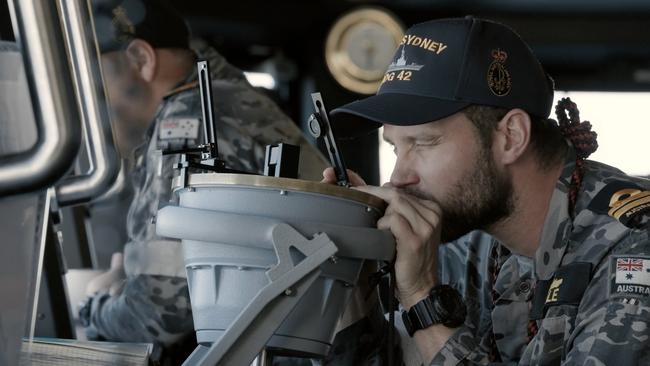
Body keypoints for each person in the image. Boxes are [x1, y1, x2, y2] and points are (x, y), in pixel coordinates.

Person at [328, 16, 650, 365]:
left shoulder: (633, 247)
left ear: (511, 136)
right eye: (395, 147)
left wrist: (423, 299)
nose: (397, 176)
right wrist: (351, 283)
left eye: (423, 143)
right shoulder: (475, 241)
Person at [80, 0, 328, 361]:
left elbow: (160, 311)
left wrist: (92, 304)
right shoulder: (223, 98)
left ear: (141, 60)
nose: (93, 100)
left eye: (94, 77)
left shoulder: (188, 122)